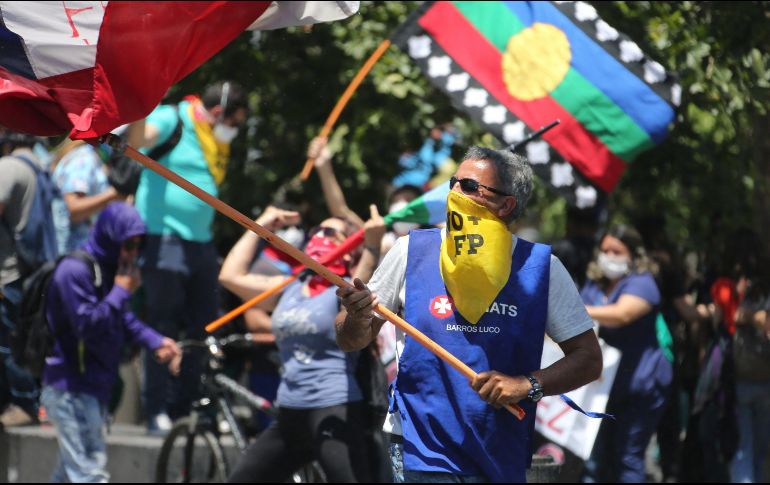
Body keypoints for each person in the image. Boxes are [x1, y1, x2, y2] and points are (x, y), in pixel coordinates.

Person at [336, 146, 603, 483]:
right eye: (454, 182)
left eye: (471, 187)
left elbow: (589, 359)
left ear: (506, 204)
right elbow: (351, 340)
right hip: (419, 447)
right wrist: (357, 316)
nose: (455, 192)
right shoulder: (411, 250)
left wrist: (527, 385)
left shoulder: (541, 267)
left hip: (499, 449)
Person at [221, 205, 387, 483]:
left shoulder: (345, 290)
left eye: (329, 231)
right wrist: (261, 225)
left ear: (347, 248)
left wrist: (371, 246)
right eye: (316, 230)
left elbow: (363, 281)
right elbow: (229, 276)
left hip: (335, 410)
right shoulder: (288, 287)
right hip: (289, 412)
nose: (318, 236)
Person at [128, 81, 248, 433]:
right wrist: (136, 104)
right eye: (234, 122)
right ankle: (156, 410)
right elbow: (137, 142)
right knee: (163, 324)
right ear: (216, 113)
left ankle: (187, 407)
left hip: (202, 244)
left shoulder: (215, 142)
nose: (235, 130)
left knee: (202, 327)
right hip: (163, 238)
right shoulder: (173, 118)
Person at [41, 202, 181, 482]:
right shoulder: (75, 270)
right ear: (109, 237)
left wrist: (156, 341)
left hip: (94, 386)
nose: (132, 253)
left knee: (70, 474)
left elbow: (123, 320)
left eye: (138, 246)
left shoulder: (110, 269)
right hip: (72, 388)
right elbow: (87, 326)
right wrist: (120, 291)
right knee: (89, 473)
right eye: (127, 245)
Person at [580, 224, 673, 483]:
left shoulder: (643, 283)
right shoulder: (594, 284)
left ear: (633, 254)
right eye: (604, 250)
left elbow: (622, 314)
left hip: (642, 385)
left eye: (617, 251)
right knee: (595, 458)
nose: (609, 256)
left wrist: (578, 311)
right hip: (603, 388)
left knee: (628, 458)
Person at [0, 131, 48, 426]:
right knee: (21, 338)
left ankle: (23, 401)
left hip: (8, 273)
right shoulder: (41, 168)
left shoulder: (9, 166)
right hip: (31, 272)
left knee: (7, 343)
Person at [51, 141, 125, 254]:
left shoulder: (90, 157)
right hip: (71, 252)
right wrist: (113, 194)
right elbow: (73, 209)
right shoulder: (85, 160)